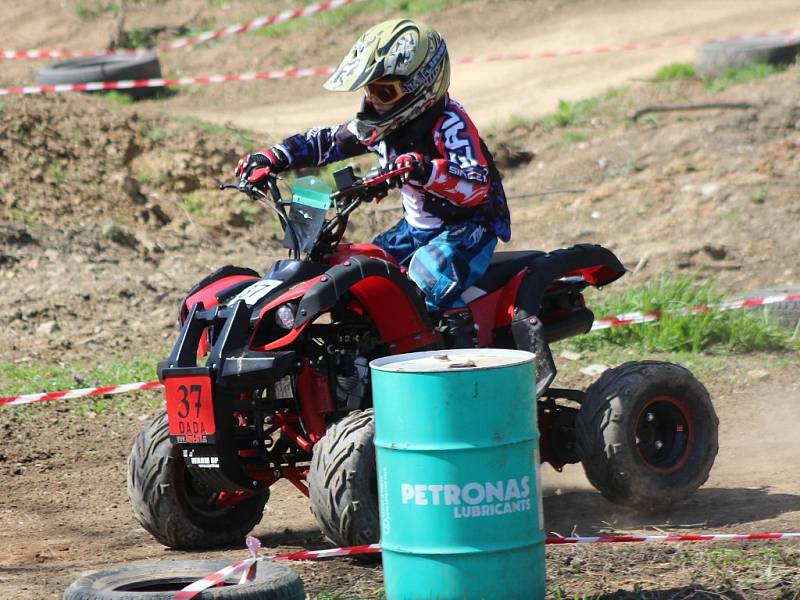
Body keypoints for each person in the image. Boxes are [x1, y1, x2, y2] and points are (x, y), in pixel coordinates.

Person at [235, 18, 510, 315]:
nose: (373, 101)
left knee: (422, 288)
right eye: (369, 90)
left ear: (421, 85)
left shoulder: (449, 123)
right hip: (415, 229)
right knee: (367, 279)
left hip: (468, 228)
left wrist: (423, 169)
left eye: (384, 92)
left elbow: (476, 185)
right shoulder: (379, 124)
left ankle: (462, 344)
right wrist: (275, 157)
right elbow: (327, 142)